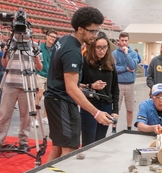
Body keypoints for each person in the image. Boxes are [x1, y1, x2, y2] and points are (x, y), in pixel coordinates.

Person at [44, 7, 113, 161]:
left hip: (55, 100)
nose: (95, 36)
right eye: (92, 31)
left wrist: (85, 86)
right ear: (80, 29)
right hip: (62, 103)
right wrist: (96, 113)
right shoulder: (73, 52)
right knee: (69, 150)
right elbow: (71, 88)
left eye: (97, 31)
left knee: (58, 147)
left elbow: (63, 78)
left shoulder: (64, 40)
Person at [0, 41, 43, 149]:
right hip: (10, 84)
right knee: (4, 114)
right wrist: (4, 53)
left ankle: (23, 141)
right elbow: (4, 64)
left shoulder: (34, 45)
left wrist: (36, 57)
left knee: (26, 116)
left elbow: (40, 67)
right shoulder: (10, 43)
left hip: (27, 85)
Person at [80, 32, 119, 146]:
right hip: (90, 105)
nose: (102, 50)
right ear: (93, 47)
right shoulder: (85, 62)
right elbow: (77, 85)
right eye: (98, 47)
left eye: (104, 47)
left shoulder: (110, 63)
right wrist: (92, 85)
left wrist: (115, 110)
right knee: (88, 142)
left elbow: (115, 88)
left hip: (106, 104)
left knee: (100, 141)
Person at [112, 32, 138, 133]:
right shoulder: (114, 54)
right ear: (119, 41)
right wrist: (125, 68)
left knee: (130, 109)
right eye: (122, 40)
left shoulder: (133, 53)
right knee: (116, 108)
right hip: (118, 84)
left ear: (128, 41)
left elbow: (132, 67)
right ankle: (114, 128)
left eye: (126, 40)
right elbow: (113, 68)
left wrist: (127, 54)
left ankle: (129, 128)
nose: (124, 43)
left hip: (130, 84)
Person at [33, 29, 57, 127]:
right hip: (40, 74)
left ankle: (45, 117)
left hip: (51, 76)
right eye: (51, 36)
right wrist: (37, 72)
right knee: (39, 95)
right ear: (46, 36)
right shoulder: (40, 47)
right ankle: (33, 118)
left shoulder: (56, 49)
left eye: (54, 37)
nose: (52, 38)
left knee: (49, 97)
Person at [0, 42, 5, 107]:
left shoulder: (1, 53)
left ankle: (0, 101)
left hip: (1, 70)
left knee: (1, 87)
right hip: (1, 71)